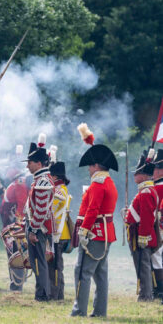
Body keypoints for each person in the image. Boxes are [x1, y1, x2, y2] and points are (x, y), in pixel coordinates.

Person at [71, 123, 118, 317]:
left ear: (97, 165)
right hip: (104, 233)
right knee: (100, 274)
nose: (89, 169)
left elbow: (93, 210)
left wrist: (83, 231)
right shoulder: (108, 182)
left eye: (90, 165)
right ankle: (99, 311)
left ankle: (79, 310)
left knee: (82, 271)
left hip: (94, 232)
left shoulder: (98, 184)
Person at [23, 133, 54, 302]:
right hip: (36, 226)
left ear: (39, 163)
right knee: (36, 261)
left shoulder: (43, 181)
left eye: (30, 162)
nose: (28, 165)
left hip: (38, 228)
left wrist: (33, 229)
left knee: (39, 262)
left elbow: (41, 210)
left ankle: (42, 294)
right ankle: (41, 292)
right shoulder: (40, 179)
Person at [125, 148, 159, 302]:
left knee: (143, 266)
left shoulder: (146, 192)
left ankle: (146, 295)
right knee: (141, 265)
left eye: (137, 173)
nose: (134, 175)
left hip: (142, 235)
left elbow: (146, 217)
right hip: (138, 233)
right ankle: (145, 293)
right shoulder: (145, 191)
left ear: (144, 175)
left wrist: (143, 236)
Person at [48, 159, 72, 301]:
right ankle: (57, 294)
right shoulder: (60, 189)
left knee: (55, 267)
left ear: (55, 176)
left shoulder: (60, 190)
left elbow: (51, 208)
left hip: (58, 233)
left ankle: (56, 295)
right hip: (59, 232)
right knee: (55, 266)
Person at [151, 149, 163, 304]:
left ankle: (159, 290)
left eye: (153, 169)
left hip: (159, 227)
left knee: (157, 257)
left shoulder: (158, 187)